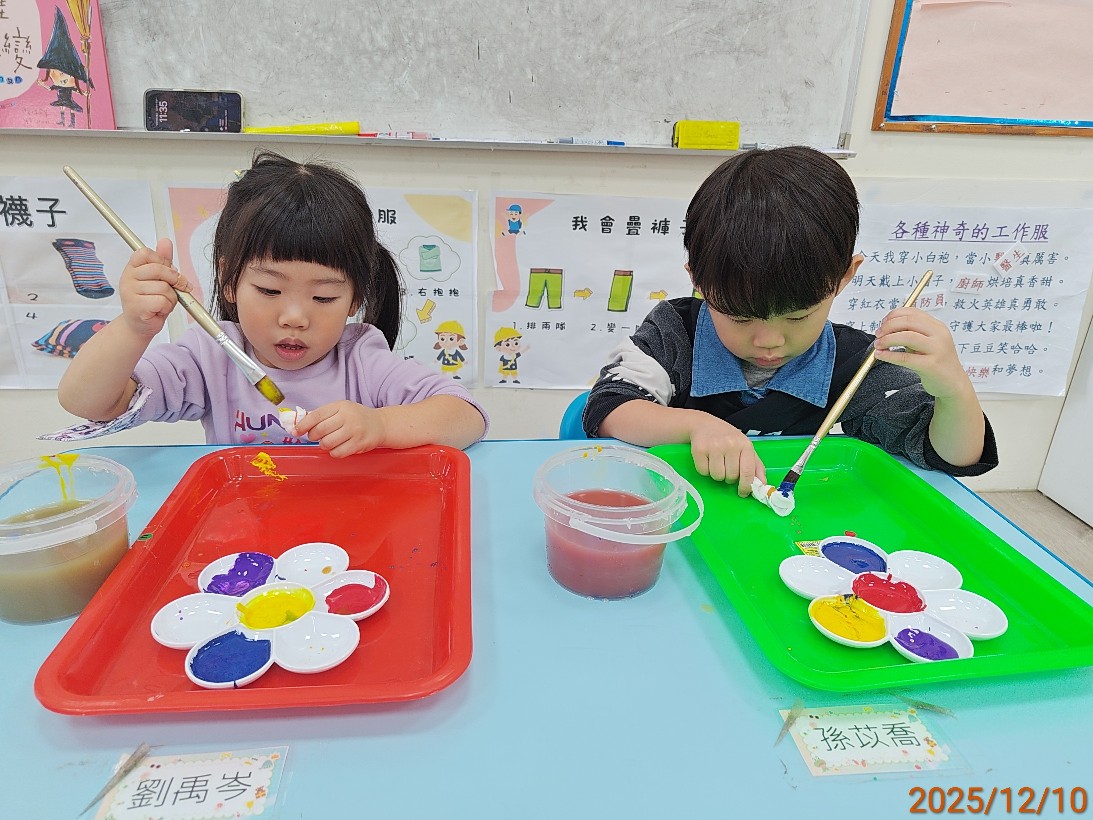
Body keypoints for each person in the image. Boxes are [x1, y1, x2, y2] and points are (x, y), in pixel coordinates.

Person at [583, 146, 996, 495]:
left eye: (797, 316)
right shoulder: (676, 331)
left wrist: (953, 389)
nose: (769, 341)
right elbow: (609, 408)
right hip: (671, 519)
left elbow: (949, 456)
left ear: (844, 277)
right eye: (740, 317)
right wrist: (695, 425)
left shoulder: (857, 365)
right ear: (699, 282)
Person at [57, 150, 488, 456]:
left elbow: (467, 416)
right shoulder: (210, 357)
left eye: (323, 297)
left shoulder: (361, 359)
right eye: (269, 290)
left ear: (355, 297)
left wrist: (381, 425)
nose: (294, 317)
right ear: (229, 280)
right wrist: (134, 328)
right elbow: (88, 403)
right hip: (245, 530)